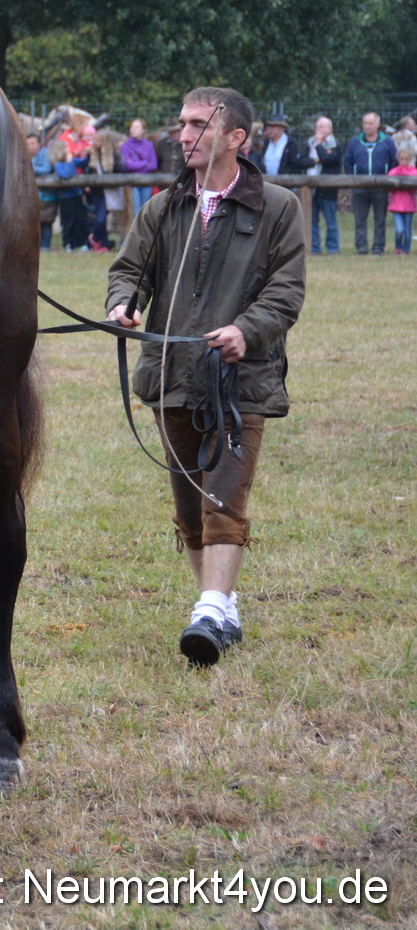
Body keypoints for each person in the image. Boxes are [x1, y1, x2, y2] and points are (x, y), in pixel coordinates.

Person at [105, 87, 305, 667]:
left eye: (199, 125)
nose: (184, 134)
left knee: (224, 496)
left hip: (240, 382)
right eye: (182, 123)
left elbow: (286, 290)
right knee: (191, 506)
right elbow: (128, 271)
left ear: (236, 138)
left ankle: (210, 612)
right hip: (171, 377)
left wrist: (248, 329)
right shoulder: (165, 206)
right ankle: (217, 603)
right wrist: (123, 304)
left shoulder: (277, 206)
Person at [342, 111, 395, 254]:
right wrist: (353, 179)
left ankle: (378, 246)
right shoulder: (355, 142)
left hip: (380, 187)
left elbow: (393, 162)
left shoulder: (388, 141)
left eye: (371, 123)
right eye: (365, 123)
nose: (368, 126)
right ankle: (361, 246)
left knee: (380, 219)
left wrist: (387, 179)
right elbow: (348, 161)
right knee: (360, 219)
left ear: (378, 124)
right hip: (359, 187)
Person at [307, 116, 343, 255]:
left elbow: (327, 160)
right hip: (311, 188)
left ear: (330, 129)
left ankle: (333, 248)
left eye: (322, 127)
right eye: (317, 127)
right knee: (312, 221)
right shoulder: (309, 143)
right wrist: (314, 161)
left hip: (328, 189)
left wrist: (319, 145)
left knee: (330, 221)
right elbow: (303, 160)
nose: (319, 130)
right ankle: (314, 247)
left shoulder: (335, 145)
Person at [120, 118, 159, 213]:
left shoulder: (149, 145)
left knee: (145, 211)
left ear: (143, 130)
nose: (133, 129)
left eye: (137, 127)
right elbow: (128, 166)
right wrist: (145, 163)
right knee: (135, 211)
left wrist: (135, 165)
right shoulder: (125, 145)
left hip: (146, 182)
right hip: (132, 183)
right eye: (132, 127)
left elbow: (154, 165)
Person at [30, 132, 58, 249]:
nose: (30, 146)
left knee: (46, 220)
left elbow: (46, 169)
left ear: (39, 144)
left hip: (46, 195)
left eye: (32, 143)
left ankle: (45, 246)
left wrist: (30, 167)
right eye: (27, 143)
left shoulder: (45, 154)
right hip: (33, 195)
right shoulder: (26, 155)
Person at [390, 143, 416, 256]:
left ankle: (406, 249)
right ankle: (398, 247)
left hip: (409, 205)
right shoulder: (394, 171)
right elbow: (389, 181)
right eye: (402, 159)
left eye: (406, 159)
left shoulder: (414, 172)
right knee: (399, 229)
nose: (404, 162)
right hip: (396, 205)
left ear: (410, 159)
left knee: (407, 230)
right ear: (398, 159)